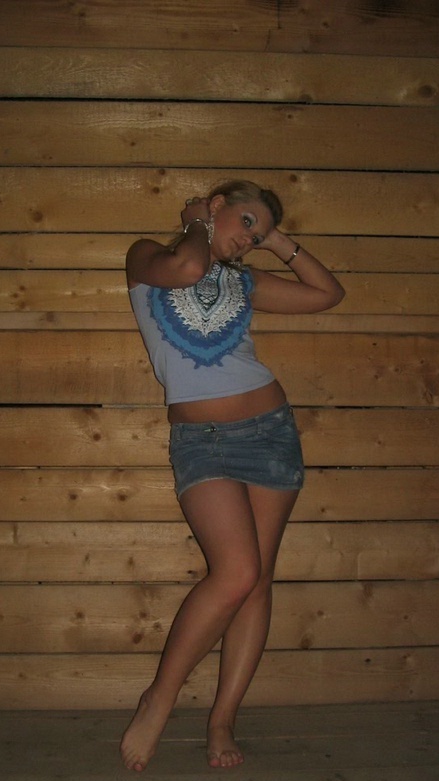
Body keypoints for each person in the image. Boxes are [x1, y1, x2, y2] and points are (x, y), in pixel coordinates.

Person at [120, 180, 345, 772]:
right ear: (215, 206)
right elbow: (188, 266)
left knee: (257, 580)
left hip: (269, 432)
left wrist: (277, 241)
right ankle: (159, 698)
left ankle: (222, 720)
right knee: (237, 571)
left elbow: (327, 294)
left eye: (257, 233)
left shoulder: (246, 282)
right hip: (203, 442)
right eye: (247, 222)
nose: (249, 238)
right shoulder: (148, 257)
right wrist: (196, 223)